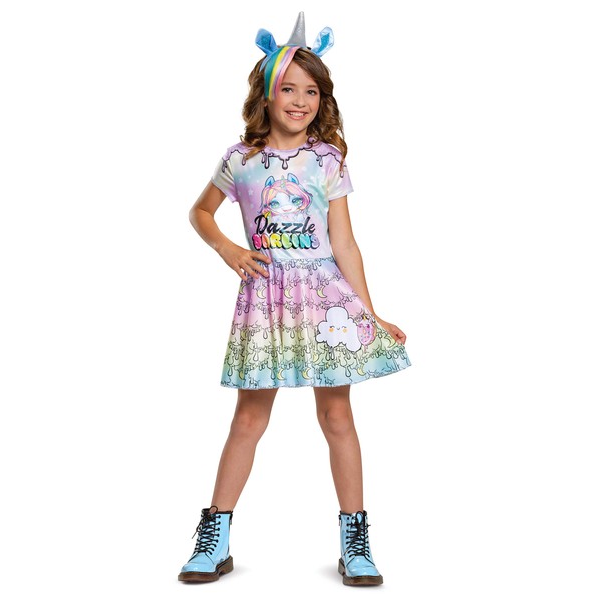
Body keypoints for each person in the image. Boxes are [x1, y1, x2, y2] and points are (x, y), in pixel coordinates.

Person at [178, 12, 411, 587]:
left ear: (321, 99)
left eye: (311, 91)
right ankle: (215, 534)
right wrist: (229, 249)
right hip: (266, 301)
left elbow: (344, 241)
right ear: (267, 93)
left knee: (337, 415)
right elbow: (200, 212)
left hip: (326, 304)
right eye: (289, 89)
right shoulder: (240, 159)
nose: (300, 101)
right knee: (249, 417)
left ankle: (355, 539)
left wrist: (369, 313)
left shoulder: (328, 160)